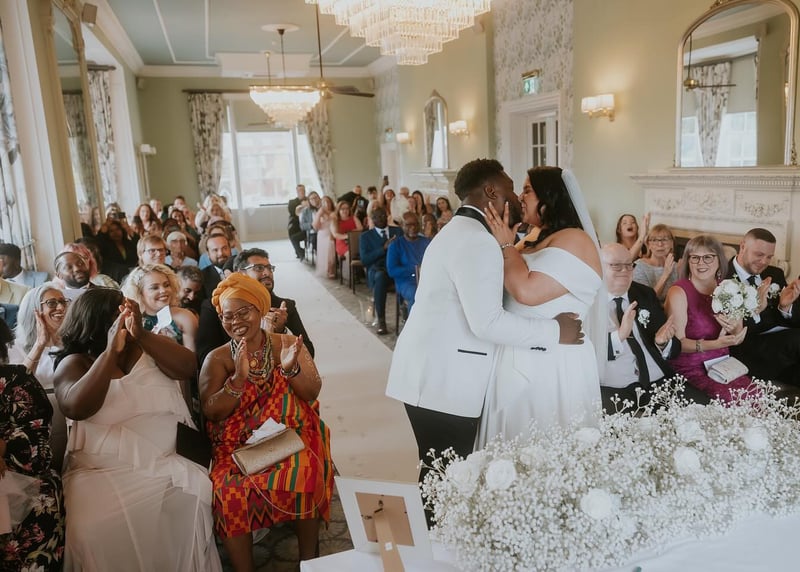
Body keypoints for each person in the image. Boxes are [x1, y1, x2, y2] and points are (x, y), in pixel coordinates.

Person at [385, 159, 583, 498]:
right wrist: (555, 331)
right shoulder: (477, 241)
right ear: (491, 190)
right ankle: (434, 533)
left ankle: (432, 530)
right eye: (511, 187)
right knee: (447, 482)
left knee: (439, 476)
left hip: (429, 372)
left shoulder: (460, 231)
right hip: (444, 380)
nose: (516, 196)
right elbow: (487, 322)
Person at [53, 289, 221, 571]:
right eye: (120, 313)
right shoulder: (75, 363)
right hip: (102, 470)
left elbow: (187, 367)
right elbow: (76, 408)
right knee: (89, 529)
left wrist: (141, 334)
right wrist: (110, 352)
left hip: (169, 460)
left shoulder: (147, 346)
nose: (129, 317)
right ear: (97, 322)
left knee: (191, 496)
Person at [199, 274, 333, 569]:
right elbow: (212, 412)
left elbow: (311, 392)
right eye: (227, 316)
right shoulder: (217, 359)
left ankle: (310, 562)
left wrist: (290, 369)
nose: (236, 321)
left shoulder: (288, 343)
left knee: (305, 470)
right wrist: (237, 380)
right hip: (236, 445)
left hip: (289, 435)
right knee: (227, 492)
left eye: (243, 312)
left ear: (260, 309)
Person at [479, 166, 604, 445]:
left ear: (550, 196)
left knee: (548, 443)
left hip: (554, 361)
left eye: (527, 190)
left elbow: (525, 291)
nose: (520, 197)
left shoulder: (575, 239)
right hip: (516, 351)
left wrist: (505, 245)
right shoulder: (532, 238)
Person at [599, 243, 709, 411]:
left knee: (706, 409)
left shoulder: (644, 294)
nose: (625, 271)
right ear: (599, 268)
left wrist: (662, 343)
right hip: (615, 389)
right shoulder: (587, 302)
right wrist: (619, 336)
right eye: (616, 266)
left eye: (629, 265)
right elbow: (584, 354)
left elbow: (673, 347)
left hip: (658, 381)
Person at [0, 319, 65, 571]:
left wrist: (4, 444)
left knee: (43, 495)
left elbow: (38, 452)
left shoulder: (16, 380)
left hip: (20, 479)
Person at [665, 235, 752, 401]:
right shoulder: (679, 292)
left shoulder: (729, 288)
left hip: (723, 366)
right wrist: (716, 344)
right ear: (688, 262)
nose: (701, 263)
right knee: (731, 401)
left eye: (708, 257)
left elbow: (737, 336)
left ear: (719, 260)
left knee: (757, 397)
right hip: (690, 368)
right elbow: (677, 344)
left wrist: (736, 333)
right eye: (695, 258)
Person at [197, 248, 314, 365]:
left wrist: (281, 332)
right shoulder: (215, 307)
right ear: (239, 274)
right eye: (259, 268)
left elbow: (309, 352)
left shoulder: (284, 307)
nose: (267, 273)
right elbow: (205, 356)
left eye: (270, 268)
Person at [725, 228, 800, 387]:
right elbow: (726, 329)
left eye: (769, 257)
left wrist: (784, 307)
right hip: (747, 347)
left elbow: (787, 320)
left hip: (780, 345)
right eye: (759, 255)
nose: (764, 262)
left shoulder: (775, 273)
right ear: (742, 246)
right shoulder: (722, 277)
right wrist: (755, 309)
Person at [9, 283, 70, 471]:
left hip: (72, 420)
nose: (60, 307)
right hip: (36, 425)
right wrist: (40, 343)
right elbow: (17, 387)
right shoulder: (14, 347)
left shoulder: (74, 343)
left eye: (63, 302)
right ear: (34, 310)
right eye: (52, 303)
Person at [122, 264, 198, 352]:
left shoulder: (185, 317)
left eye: (166, 285)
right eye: (154, 288)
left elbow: (192, 358)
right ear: (139, 293)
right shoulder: (132, 320)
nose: (163, 291)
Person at [360, 208, 402, 335]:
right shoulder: (366, 236)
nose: (381, 218)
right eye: (377, 217)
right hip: (378, 270)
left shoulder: (397, 231)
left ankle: (406, 312)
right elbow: (365, 260)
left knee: (409, 274)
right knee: (380, 277)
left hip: (396, 268)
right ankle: (381, 320)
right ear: (373, 220)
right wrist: (383, 248)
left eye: (383, 215)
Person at [387, 212, 431, 312]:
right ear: (402, 226)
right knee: (416, 294)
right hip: (406, 281)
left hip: (426, 279)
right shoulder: (395, 245)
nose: (413, 227)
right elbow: (392, 270)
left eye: (415, 224)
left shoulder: (427, 242)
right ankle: (414, 321)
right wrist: (414, 270)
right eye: (408, 225)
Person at [632, 224, 678, 302]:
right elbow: (647, 301)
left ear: (672, 244)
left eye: (665, 239)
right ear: (648, 245)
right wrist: (665, 274)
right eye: (654, 240)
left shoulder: (676, 266)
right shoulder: (639, 266)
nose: (660, 244)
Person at [313, 196, 337, 279]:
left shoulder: (334, 212)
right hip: (322, 234)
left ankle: (331, 269)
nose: (326, 204)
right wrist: (319, 215)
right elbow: (316, 227)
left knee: (331, 253)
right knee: (323, 253)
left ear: (331, 202)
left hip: (332, 233)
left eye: (328, 201)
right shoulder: (320, 212)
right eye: (324, 202)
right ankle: (325, 269)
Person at [288, 184, 307, 259]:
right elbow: (292, 213)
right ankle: (299, 251)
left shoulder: (309, 200)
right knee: (291, 230)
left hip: (307, 222)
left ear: (305, 191)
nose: (301, 192)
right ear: (297, 191)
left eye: (303, 190)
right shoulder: (292, 202)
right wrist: (302, 206)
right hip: (296, 223)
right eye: (299, 190)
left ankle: (301, 252)